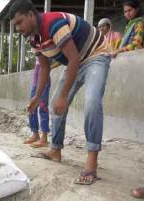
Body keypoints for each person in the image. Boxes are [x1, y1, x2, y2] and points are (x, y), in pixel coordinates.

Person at [10, 0, 110, 185]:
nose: (18, 28)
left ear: (31, 15)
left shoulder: (53, 23)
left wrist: (64, 96)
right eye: (15, 25)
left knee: (92, 103)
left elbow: (73, 59)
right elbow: (45, 69)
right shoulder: (33, 38)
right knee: (54, 104)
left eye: (20, 22)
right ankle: (55, 150)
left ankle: (92, 161)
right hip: (76, 62)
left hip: (95, 55)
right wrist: (36, 98)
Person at [24, 59, 51, 148]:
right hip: (35, 80)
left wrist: (49, 66)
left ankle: (44, 138)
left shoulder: (47, 48)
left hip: (44, 80)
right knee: (31, 107)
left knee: (43, 108)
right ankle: (35, 134)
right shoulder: (37, 48)